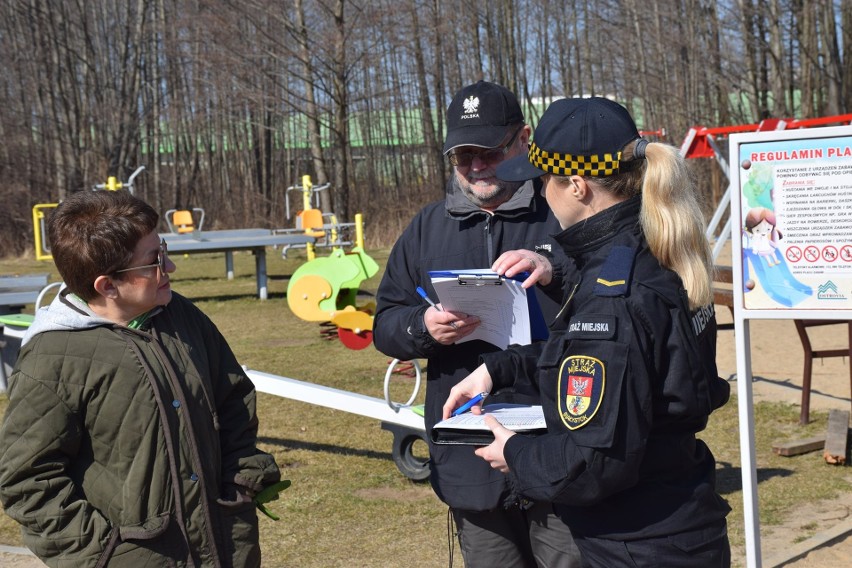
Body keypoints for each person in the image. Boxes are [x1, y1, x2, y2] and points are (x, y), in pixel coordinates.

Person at [442, 97, 732, 567]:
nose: (538, 192)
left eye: (541, 180)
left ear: (576, 186)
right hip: (676, 522)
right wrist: (500, 369)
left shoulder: (614, 290)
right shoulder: (655, 248)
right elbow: (611, 365)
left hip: (639, 543)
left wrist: (513, 452)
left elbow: (591, 465)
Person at [0, 189, 283, 567]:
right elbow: (27, 480)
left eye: (163, 250)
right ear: (107, 286)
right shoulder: (52, 359)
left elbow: (233, 398)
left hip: (224, 544)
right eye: (154, 262)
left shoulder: (181, 315)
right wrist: (105, 554)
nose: (170, 268)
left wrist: (241, 481)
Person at [373, 80, 581, 567]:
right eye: (462, 156)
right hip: (468, 455)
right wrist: (423, 326)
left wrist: (555, 270)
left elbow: (616, 292)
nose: (475, 167)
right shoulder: (427, 228)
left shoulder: (565, 212)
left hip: (557, 440)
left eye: (488, 151)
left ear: (523, 140)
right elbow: (385, 323)